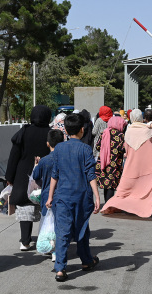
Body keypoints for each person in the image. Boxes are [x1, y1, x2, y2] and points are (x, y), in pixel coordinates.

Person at [46, 113, 101, 282]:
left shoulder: (59, 148)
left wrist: (50, 197)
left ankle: (61, 269)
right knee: (82, 228)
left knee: (62, 231)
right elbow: (91, 175)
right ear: (82, 130)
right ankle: (86, 261)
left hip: (62, 197)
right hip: (82, 197)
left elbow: (54, 175)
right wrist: (97, 197)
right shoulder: (85, 149)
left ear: (66, 132)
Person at [101, 109, 152, 218]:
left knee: (125, 190)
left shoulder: (128, 131)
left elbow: (126, 150)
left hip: (131, 165)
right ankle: (144, 207)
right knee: (146, 189)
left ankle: (113, 205)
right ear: (141, 118)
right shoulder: (149, 131)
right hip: (148, 166)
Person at [6, 105, 52, 251]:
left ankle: (25, 241)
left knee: (25, 207)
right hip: (47, 175)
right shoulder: (51, 133)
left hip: (23, 174)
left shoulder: (24, 132)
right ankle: (47, 240)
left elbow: (14, 156)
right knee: (47, 207)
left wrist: (9, 177)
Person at [32, 129, 64, 262]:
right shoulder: (64, 159)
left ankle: (49, 247)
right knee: (59, 223)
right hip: (62, 194)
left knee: (46, 222)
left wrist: (36, 165)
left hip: (46, 195)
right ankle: (57, 250)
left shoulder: (44, 161)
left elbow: (35, 176)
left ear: (47, 143)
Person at [95, 116, 126, 202]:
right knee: (111, 185)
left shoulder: (104, 133)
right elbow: (122, 149)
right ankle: (108, 204)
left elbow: (97, 147)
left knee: (106, 184)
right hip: (114, 163)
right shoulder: (120, 135)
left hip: (103, 162)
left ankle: (106, 203)